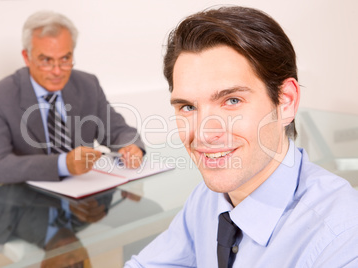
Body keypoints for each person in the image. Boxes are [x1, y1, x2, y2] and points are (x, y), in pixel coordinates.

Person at [125, 6, 358, 268]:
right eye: (188, 107)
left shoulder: (343, 239)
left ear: (286, 102)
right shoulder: (207, 200)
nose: (203, 133)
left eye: (232, 100)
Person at [0, 11, 145, 184]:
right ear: (27, 57)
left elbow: (120, 131)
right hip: (30, 204)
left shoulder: (87, 85)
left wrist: (130, 148)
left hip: (84, 199)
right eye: (46, 60)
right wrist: (62, 164)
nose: (58, 71)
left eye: (65, 58)